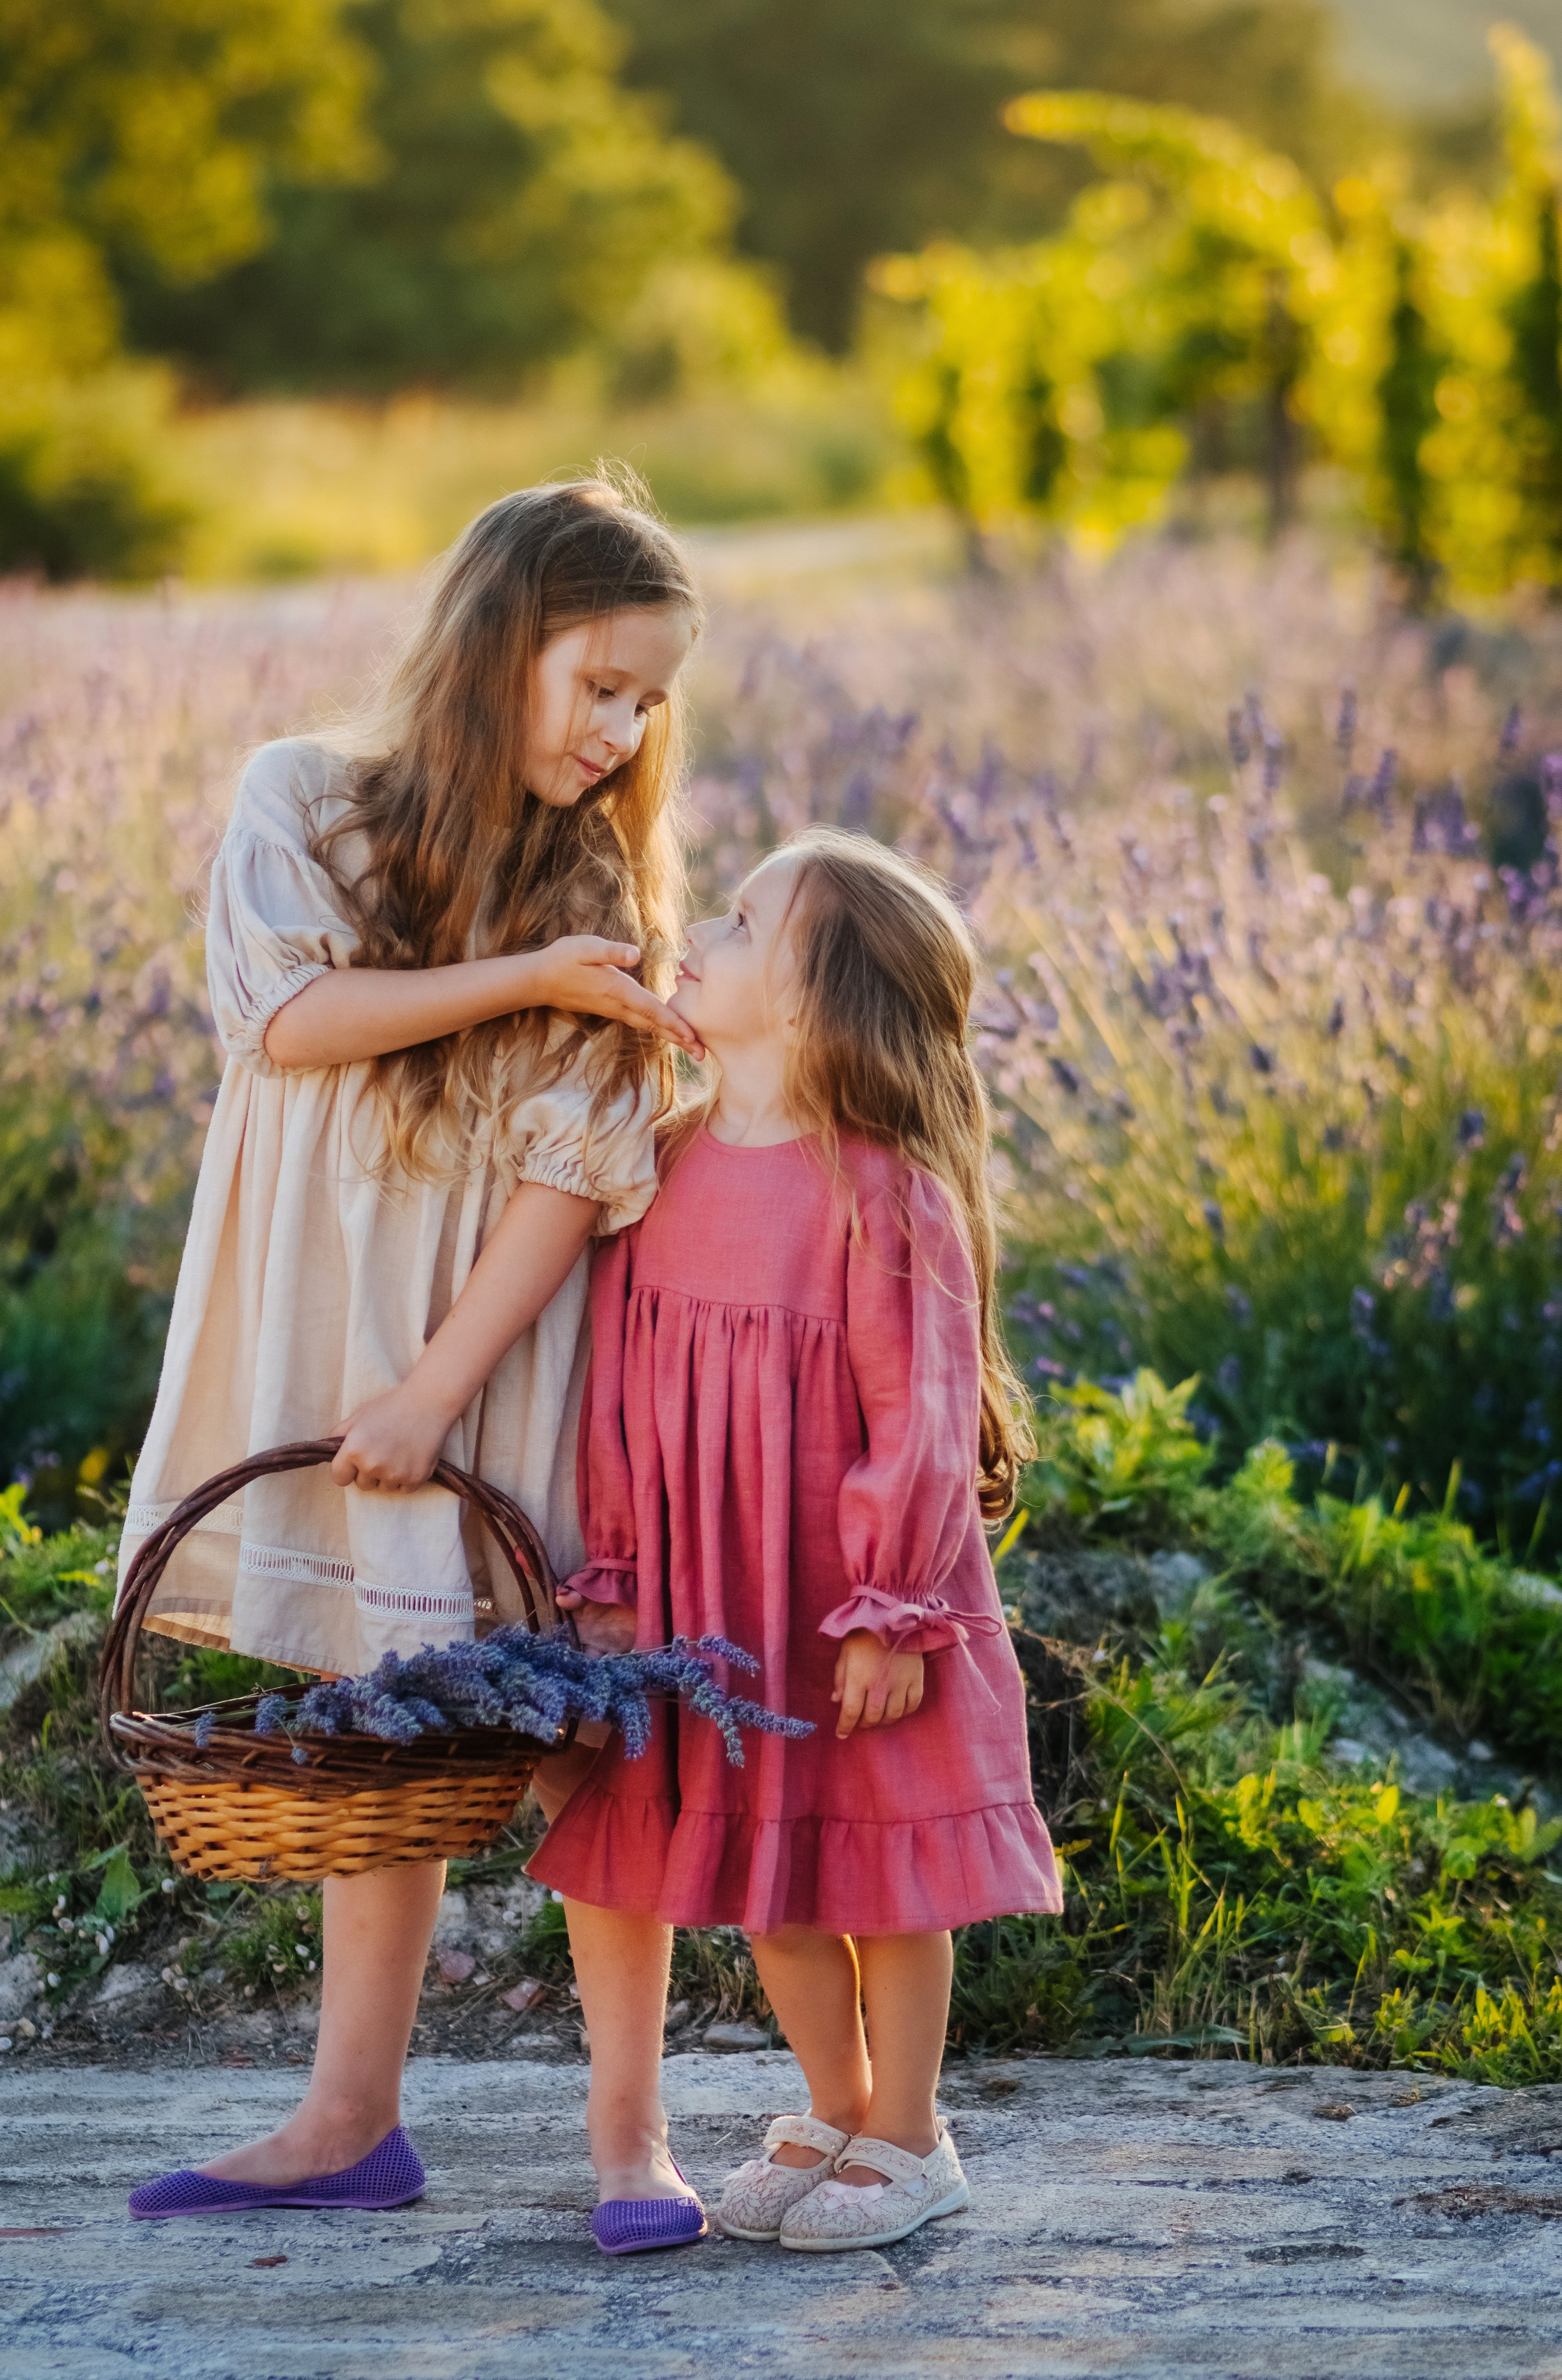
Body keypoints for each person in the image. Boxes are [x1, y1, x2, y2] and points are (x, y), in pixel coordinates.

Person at [122, 475, 704, 2222]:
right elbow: (289, 1016)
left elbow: (570, 1174)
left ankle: (629, 2134)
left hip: (479, 1363)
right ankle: (345, 2120)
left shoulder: (599, 891)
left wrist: (438, 1388)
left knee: (568, 1734)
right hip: (319, 1348)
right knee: (367, 1720)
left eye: (647, 702)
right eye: (597, 681)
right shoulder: (302, 801)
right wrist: (524, 974)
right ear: (496, 642)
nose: (620, 730)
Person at [531, 827, 1063, 2255]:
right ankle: (835, 2107)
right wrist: (618, 1577)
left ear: (819, 997)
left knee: (879, 1872)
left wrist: (893, 1610)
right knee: (773, 1872)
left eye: (746, 920)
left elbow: (926, 1412)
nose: (700, 926)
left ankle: (912, 2134)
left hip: (850, 1607)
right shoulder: (657, 1163)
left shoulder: (881, 1192)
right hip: (725, 1610)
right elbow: (620, 1401)